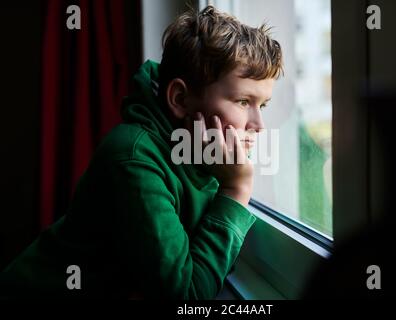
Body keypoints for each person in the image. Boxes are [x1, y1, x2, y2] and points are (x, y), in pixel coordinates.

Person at [0, 5, 283, 299]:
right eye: (241, 101)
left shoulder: (206, 153)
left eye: (262, 105)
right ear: (180, 98)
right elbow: (186, 297)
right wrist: (236, 188)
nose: (259, 125)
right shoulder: (134, 159)